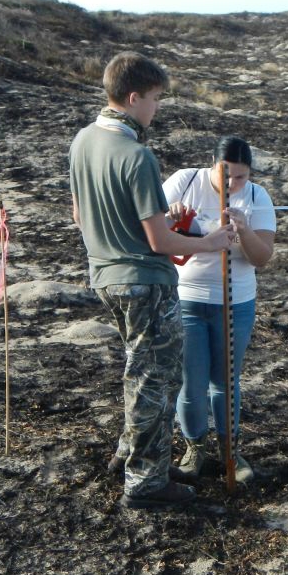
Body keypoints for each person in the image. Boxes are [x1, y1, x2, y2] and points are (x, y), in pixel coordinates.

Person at [69, 52, 231, 510]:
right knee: (155, 384)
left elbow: (81, 215)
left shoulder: (83, 141)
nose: (157, 109)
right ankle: (146, 481)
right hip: (146, 282)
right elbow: (161, 242)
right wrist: (212, 241)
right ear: (134, 97)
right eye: (156, 99)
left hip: (105, 276)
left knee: (137, 372)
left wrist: (140, 225)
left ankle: (130, 455)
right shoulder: (137, 155)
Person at [163, 136, 276, 484]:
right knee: (191, 382)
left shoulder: (257, 197)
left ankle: (230, 450)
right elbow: (154, 230)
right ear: (211, 161)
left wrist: (243, 230)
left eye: (240, 177)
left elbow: (262, 258)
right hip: (188, 299)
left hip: (236, 302)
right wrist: (171, 218)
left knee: (226, 382)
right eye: (225, 174)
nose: (231, 184)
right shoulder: (185, 181)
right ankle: (194, 447)